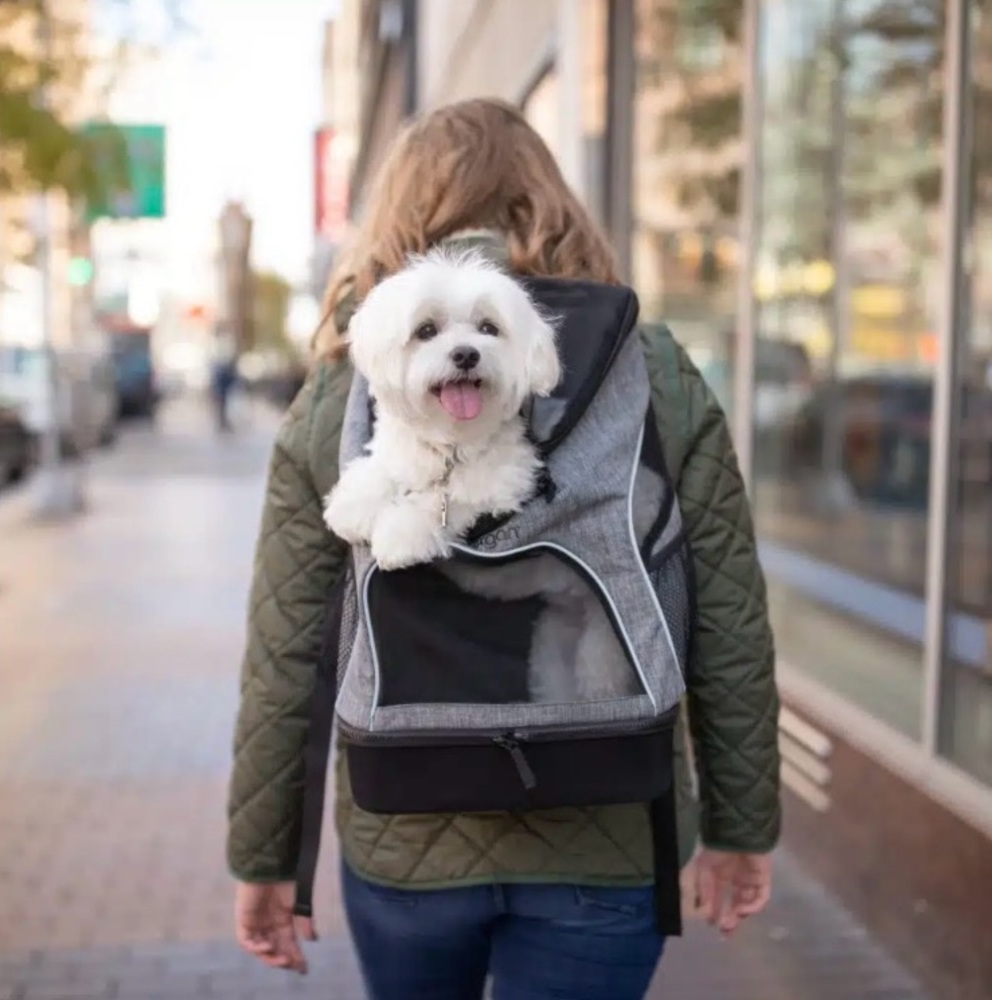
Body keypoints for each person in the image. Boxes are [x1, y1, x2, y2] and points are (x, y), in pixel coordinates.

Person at [227, 98, 780, 1000]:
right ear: (554, 204)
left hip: (405, 834)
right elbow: (727, 618)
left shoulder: (341, 390)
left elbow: (287, 651)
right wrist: (741, 824)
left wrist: (265, 861)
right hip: (605, 828)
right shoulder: (657, 370)